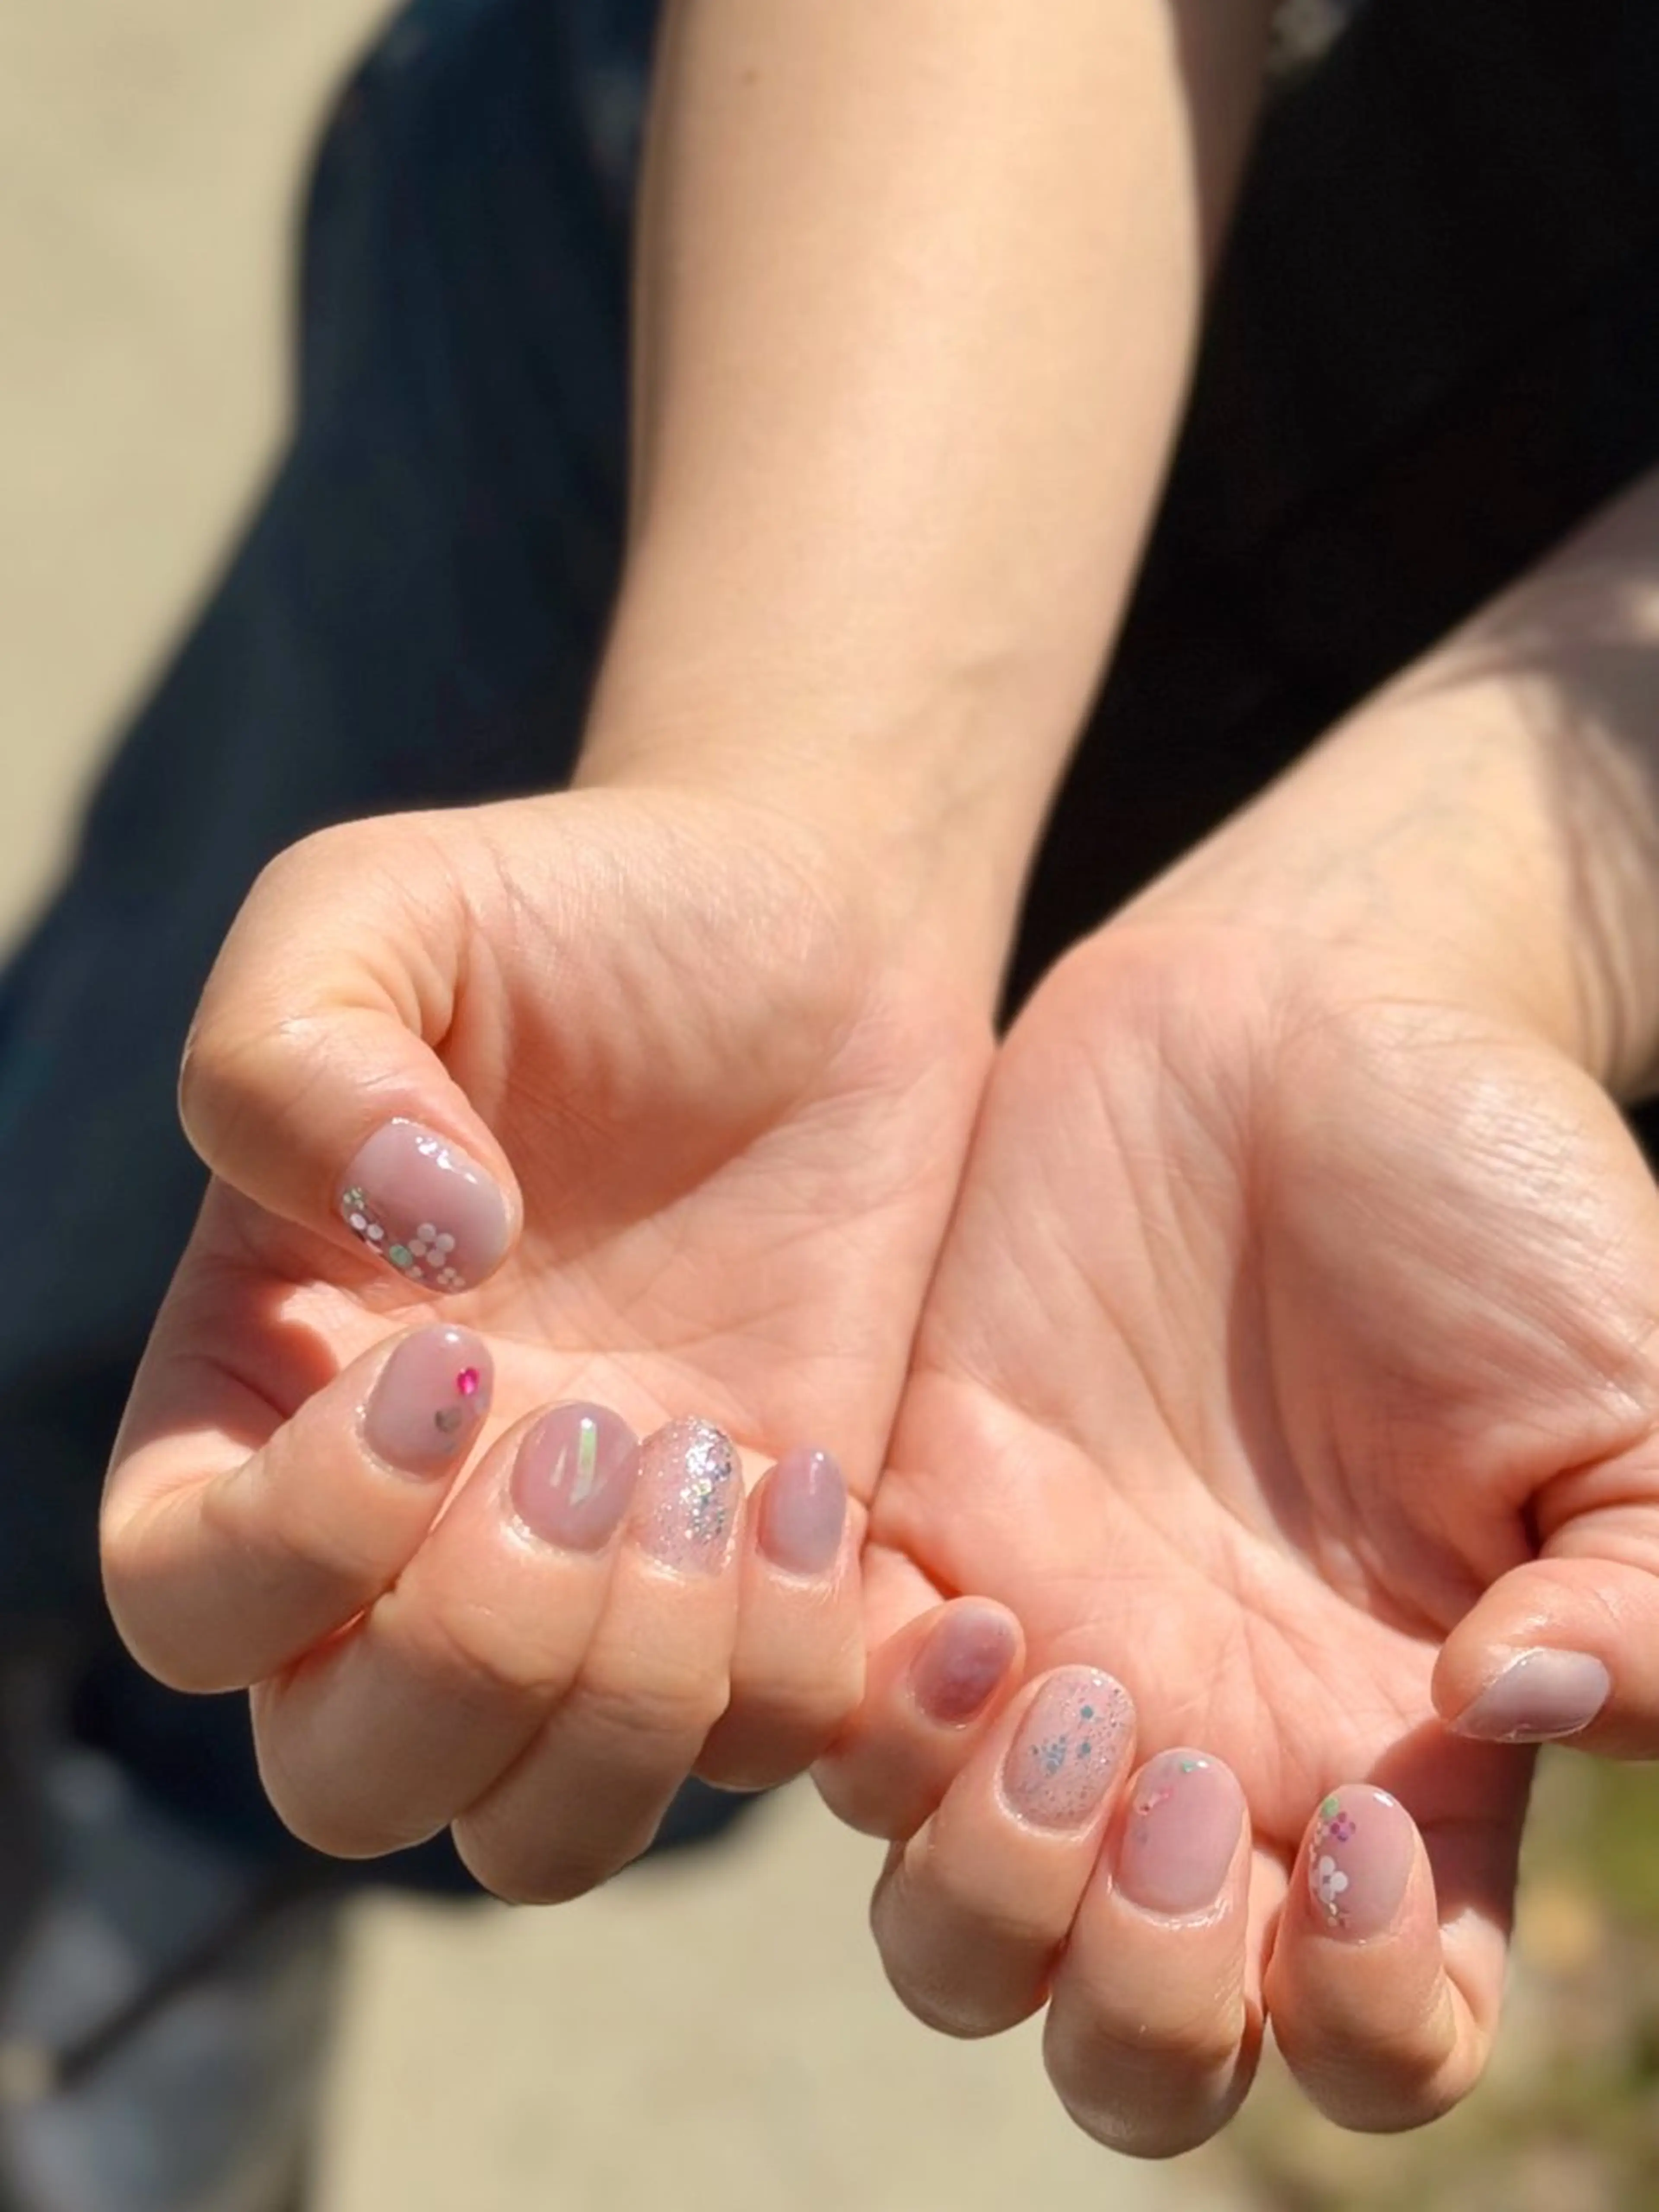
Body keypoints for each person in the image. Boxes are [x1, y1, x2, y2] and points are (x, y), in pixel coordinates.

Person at [11, 0, 1659, 2198]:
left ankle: (166, 1879)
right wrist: (801, 790)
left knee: (718, 1537)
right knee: (186, 1210)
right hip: (830, 275)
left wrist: (1458, 911)